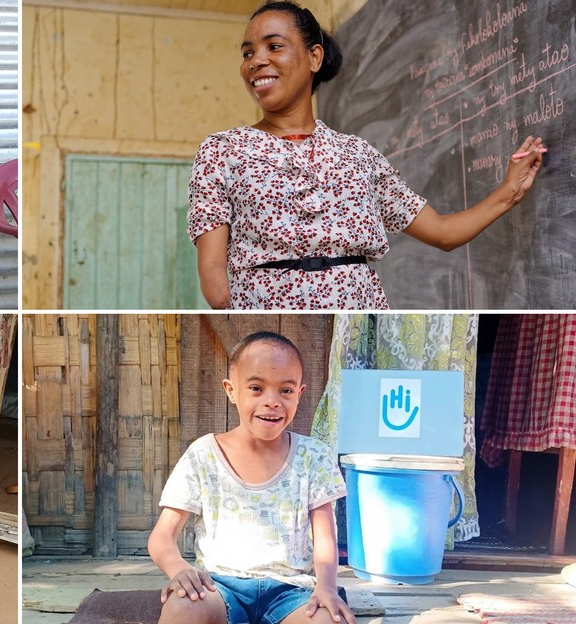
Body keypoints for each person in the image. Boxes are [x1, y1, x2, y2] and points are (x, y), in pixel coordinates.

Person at [189, 0, 546, 309]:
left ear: (314, 57)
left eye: (274, 46)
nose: (256, 61)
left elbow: (442, 232)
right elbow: (214, 278)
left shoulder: (359, 155)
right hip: (268, 312)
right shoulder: (223, 150)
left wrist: (509, 192)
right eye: (248, 53)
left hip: (358, 312)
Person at [147, 332, 352, 624]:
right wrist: (179, 569)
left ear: (300, 394)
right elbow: (161, 538)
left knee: (330, 620)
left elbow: (325, 539)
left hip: (291, 591)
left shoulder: (314, 457)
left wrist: (327, 587)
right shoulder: (203, 455)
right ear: (231, 390)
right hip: (219, 587)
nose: (272, 402)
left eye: (286, 391)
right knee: (182, 607)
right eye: (256, 388)